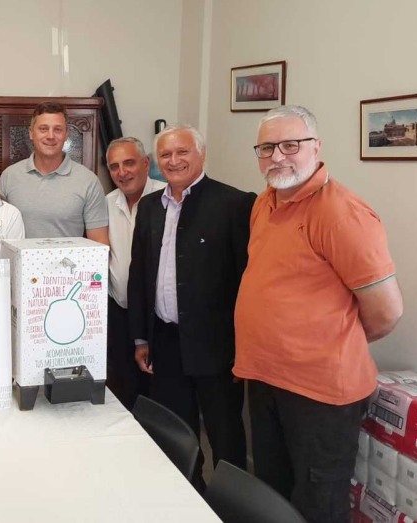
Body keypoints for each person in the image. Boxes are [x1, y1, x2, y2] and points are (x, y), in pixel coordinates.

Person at [234, 105, 403, 523]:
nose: (277, 157)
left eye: (291, 145)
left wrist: (326, 342)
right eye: (267, 147)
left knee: (318, 503)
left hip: (320, 392)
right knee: (272, 492)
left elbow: (386, 313)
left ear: (316, 147)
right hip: (266, 377)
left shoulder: (341, 212)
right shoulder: (265, 202)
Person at [128, 124, 254, 482]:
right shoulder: (150, 206)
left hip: (217, 346)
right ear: (156, 162)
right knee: (175, 434)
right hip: (165, 342)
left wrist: (242, 346)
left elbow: (248, 281)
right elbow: (140, 274)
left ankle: (232, 508)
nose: (174, 160)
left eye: (183, 152)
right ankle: (186, 499)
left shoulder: (234, 203)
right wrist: (141, 337)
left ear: (201, 155)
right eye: (166, 154)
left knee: (225, 434)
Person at [105, 137, 166, 410]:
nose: (122, 172)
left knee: (158, 393)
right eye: (114, 166)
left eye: (129, 163)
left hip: (158, 318)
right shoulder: (105, 204)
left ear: (145, 163)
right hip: (119, 312)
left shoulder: (167, 198)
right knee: (123, 389)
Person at [0, 102, 108, 243]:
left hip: (69, 265)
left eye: (58, 129)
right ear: (31, 133)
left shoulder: (88, 181)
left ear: (66, 134)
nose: (50, 136)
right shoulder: (9, 176)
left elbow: (99, 245)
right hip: (18, 265)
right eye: (43, 129)